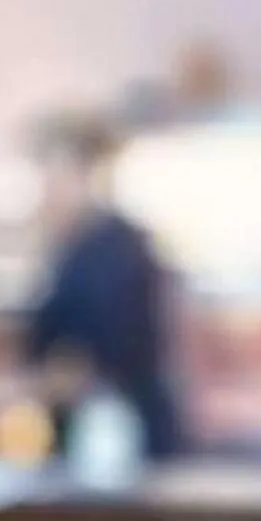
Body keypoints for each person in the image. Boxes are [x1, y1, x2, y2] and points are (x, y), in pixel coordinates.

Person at [25, 115, 186, 460]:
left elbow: (94, 362)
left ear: (86, 175)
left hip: (118, 437)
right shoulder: (74, 248)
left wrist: (16, 392)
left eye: (52, 176)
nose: (44, 191)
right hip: (86, 435)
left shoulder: (116, 253)